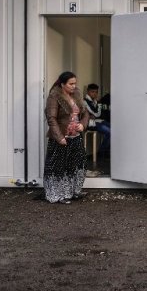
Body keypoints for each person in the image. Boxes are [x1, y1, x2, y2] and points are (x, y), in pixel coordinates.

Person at [44, 71, 89, 204]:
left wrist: (82, 124)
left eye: (75, 83)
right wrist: (59, 137)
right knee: (59, 168)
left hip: (76, 137)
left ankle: (74, 191)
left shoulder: (77, 94)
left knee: (78, 165)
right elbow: (51, 118)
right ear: (63, 84)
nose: (74, 86)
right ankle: (59, 195)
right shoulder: (54, 96)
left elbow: (85, 113)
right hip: (62, 139)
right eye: (71, 84)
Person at [84, 83, 111, 155]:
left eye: (96, 92)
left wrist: (95, 114)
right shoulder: (85, 101)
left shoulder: (94, 101)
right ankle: (102, 152)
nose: (95, 94)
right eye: (92, 92)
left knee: (114, 129)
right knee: (109, 131)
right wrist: (98, 105)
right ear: (88, 92)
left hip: (98, 121)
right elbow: (97, 114)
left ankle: (106, 150)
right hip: (91, 124)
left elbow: (97, 114)